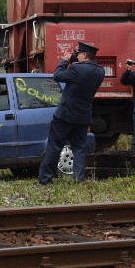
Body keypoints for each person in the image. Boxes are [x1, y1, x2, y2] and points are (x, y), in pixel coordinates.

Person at [38, 41, 105, 185]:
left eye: (79, 54)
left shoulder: (76, 69)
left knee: (54, 146)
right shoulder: (100, 71)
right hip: (83, 116)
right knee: (80, 148)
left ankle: (45, 179)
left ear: (85, 55)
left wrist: (64, 60)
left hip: (65, 115)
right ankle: (78, 179)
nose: (77, 56)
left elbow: (57, 76)